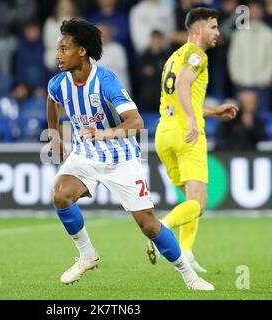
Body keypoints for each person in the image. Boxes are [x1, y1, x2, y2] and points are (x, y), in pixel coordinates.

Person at [47, 18, 214, 291]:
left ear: (82, 51)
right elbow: (51, 101)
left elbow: (136, 123)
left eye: (64, 49)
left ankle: (189, 275)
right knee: (60, 194)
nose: (57, 55)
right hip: (86, 155)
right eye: (57, 49)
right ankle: (87, 255)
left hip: (121, 159)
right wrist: (54, 134)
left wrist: (102, 134)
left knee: (149, 225)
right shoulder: (58, 83)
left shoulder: (106, 81)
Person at [146, 8, 238, 273]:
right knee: (198, 204)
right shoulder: (197, 55)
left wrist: (212, 111)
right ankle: (159, 229)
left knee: (190, 201)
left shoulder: (173, 57)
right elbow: (185, 84)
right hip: (187, 134)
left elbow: (177, 95)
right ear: (197, 30)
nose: (218, 33)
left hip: (165, 133)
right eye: (213, 27)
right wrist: (193, 120)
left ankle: (185, 253)